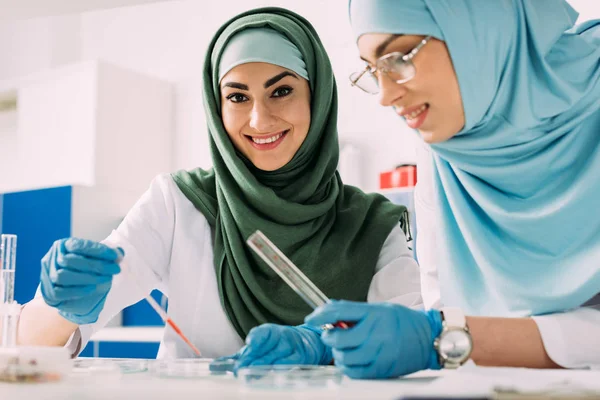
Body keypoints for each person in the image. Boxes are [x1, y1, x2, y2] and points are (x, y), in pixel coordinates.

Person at [14, 7, 422, 361]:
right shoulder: (178, 203)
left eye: (281, 91)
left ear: (317, 97)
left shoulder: (375, 226)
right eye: (238, 97)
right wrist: (61, 303)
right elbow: (31, 345)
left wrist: (323, 347)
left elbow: (416, 345)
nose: (260, 121)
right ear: (216, 106)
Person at [306, 0, 600, 379]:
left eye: (396, 58)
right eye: (372, 70)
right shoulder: (445, 145)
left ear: (478, 22)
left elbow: (454, 334)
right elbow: (448, 311)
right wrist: (329, 343)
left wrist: (442, 337)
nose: (385, 95)